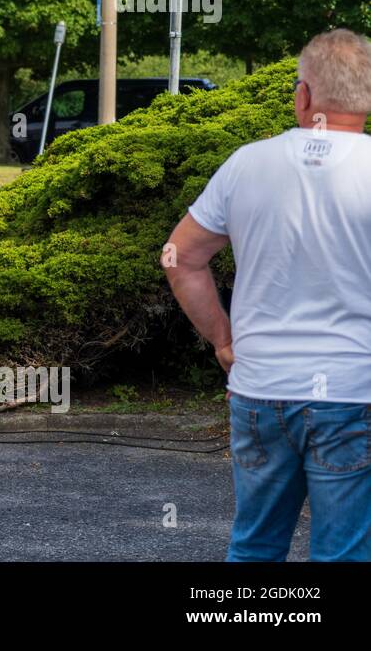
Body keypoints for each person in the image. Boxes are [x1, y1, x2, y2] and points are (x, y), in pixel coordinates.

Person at [164, 28, 371, 562]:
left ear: (303, 95)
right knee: (344, 554)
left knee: (255, 545)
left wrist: (223, 340)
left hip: (261, 388)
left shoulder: (246, 164)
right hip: (354, 393)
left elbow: (180, 257)